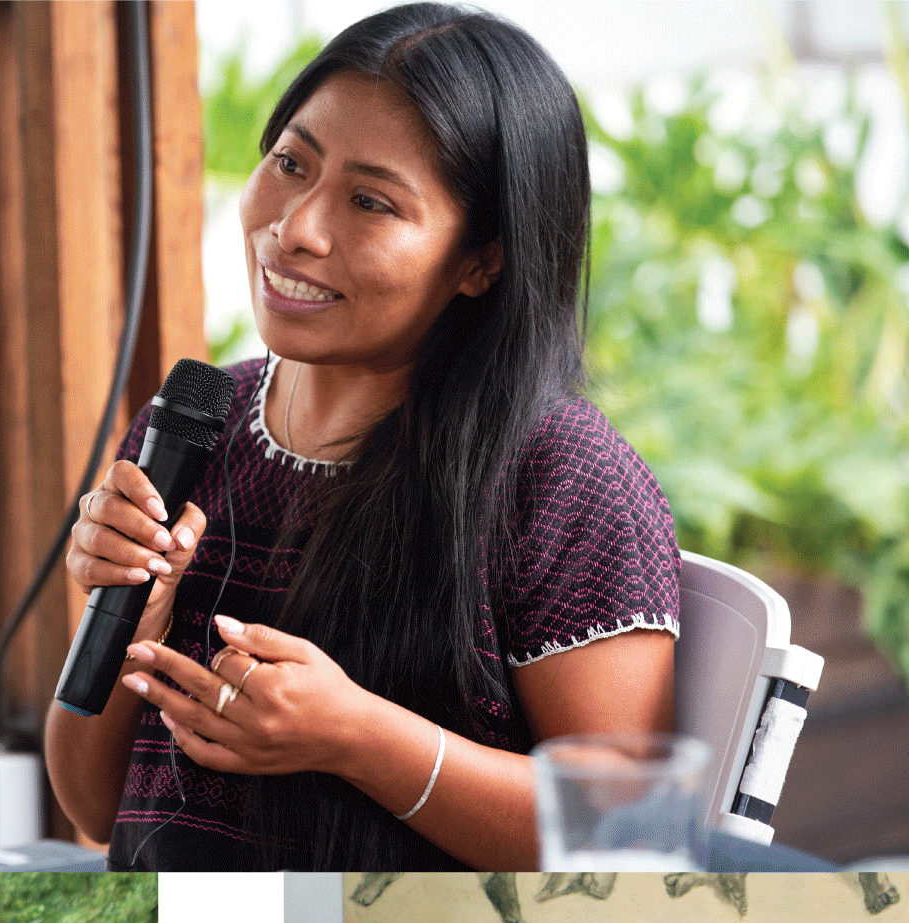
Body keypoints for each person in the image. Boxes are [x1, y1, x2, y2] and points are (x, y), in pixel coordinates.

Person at [46, 4, 681, 872]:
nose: (296, 227)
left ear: (481, 259)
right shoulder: (187, 429)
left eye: (372, 202)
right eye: (290, 163)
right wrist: (133, 617)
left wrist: (356, 738)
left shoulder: (562, 478)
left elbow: (624, 829)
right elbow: (91, 808)